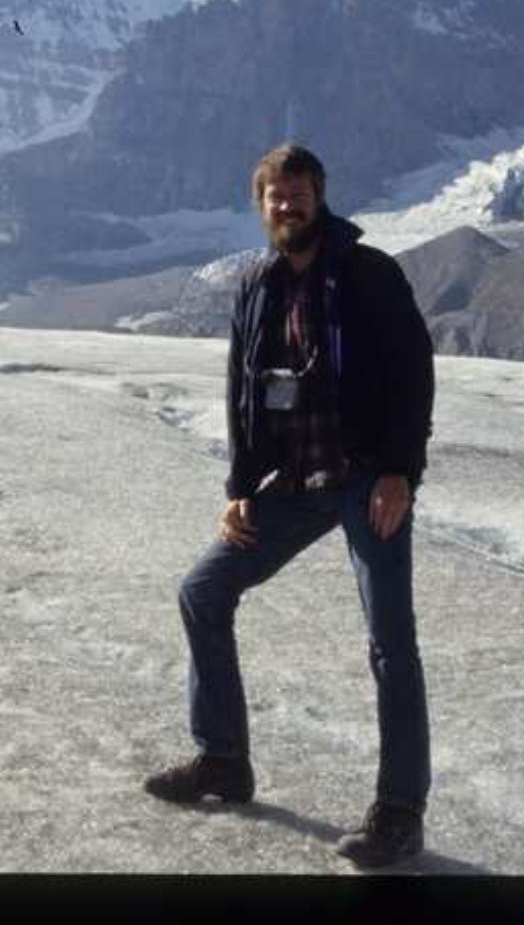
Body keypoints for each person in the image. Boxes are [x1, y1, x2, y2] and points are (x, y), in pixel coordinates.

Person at [143, 143, 437, 870]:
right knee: (202, 591)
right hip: (297, 481)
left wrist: (400, 471)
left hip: (368, 479)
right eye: (275, 196)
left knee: (389, 642)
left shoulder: (369, 274)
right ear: (261, 206)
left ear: (321, 196)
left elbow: (414, 376)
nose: (288, 205)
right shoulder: (258, 285)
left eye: (299, 192)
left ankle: (400, 812)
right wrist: (240, 487)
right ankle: (223, 761)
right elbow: (245, 394)